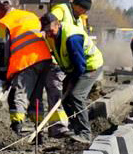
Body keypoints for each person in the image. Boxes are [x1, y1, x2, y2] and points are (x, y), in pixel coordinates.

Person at [0, 0, 55, 135]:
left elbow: (2, 50)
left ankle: (16, 128)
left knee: (18, 95)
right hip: (44, 59)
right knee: (36, 97)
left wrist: (3, 75)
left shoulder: (3, 23)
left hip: (26, 61)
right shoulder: (30, 15)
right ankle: (40, 131)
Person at [41, 13, 105, 143]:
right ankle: (76, 129)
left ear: (58, 24)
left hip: (90, 66)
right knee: (65, 98)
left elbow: (80, 66)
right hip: (74, 69)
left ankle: (85, 133)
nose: (48, 34)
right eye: (46, 31)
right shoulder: (53, 37)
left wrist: (71, 82)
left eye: (50, 30)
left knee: (76, 96)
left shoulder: (72, 38)